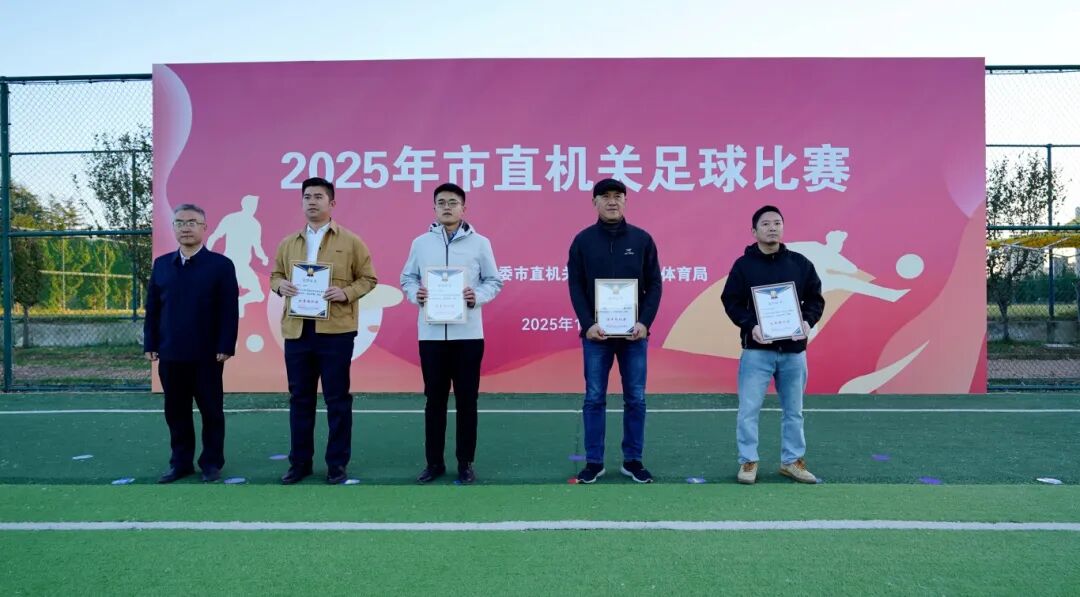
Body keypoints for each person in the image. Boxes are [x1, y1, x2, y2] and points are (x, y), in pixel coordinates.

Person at [270, 177, 377, 485]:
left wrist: (346, 293)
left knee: (337, 399)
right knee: (300, 398)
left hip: (336, 332)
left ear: (332, 203)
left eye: (318, 196)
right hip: (297, 331)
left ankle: (337, 464)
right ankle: (299, 463)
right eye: (307, 196)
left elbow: (368, 279)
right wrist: (280, 285)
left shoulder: (351, 241)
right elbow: (275, 275)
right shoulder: (288, 243)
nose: (312, 201)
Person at [400, 182, 503, 485]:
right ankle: (434, 463)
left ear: (463, 208)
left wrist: (476, 296)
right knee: (434, 400)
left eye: (453, 202)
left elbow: (494, 281)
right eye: (441, 202)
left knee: (467, 400)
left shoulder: (480, 243)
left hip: (468, 335)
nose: (447, 207)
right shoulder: (420, 243)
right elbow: (407, 278)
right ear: (434, 208)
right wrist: (415, 294)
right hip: (431, 335)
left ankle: (465, 462)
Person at [720, 205, 825, 485]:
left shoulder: (800, 264)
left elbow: (815, 299)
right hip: (757, 351)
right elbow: (731, 301)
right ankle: (748, 461)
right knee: (748, 410)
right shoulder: (743, 266)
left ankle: (792, 461)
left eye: (777, 223)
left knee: (794, 411)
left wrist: (807, 322)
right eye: (765, 224)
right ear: (754, 231)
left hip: (793, 351)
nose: (772, 228)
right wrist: (750, 326)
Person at [567, 178, 662, 484]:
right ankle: (594, 462)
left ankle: (633, 460)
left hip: (634, 335)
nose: (612, 201)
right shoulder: (582, 241)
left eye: (618, 196)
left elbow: (655, 285)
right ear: (594, 202)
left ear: (625, 201)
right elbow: (576, 286)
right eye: (605, 196)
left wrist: (644, 322)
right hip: (597, 336)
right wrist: (588, 324)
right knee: (594, 397)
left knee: (636, 398)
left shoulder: (642, 240)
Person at [144, 203, 239, 484]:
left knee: (211, 411)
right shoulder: (162, 265)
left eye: (192, 222)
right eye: (180, 222)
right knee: (176, 411)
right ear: (173, 227)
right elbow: (153, 308)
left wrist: (226, 345)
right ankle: (180, 463)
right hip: (170, 352)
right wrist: (150, 342)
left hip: (207, 354)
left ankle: (211, 463)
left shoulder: (221, 265)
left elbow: (228, 310)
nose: (185, 228)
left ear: (204, 228)